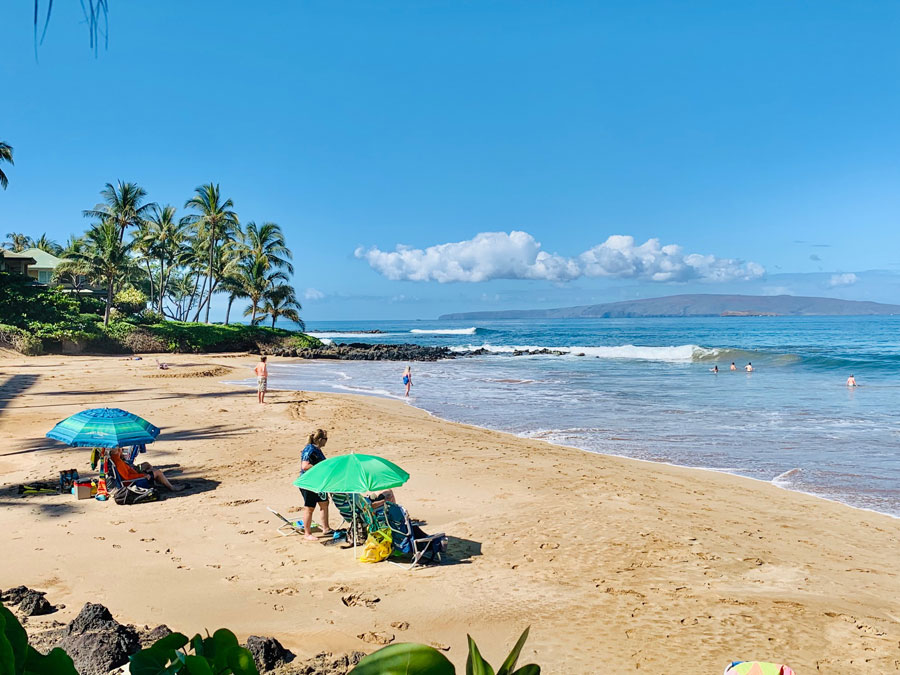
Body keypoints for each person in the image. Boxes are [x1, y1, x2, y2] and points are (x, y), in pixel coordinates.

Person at [299, 429, 331, 541]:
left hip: (319, 483)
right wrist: (320, 469)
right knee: (309, 508)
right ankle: (307, 533)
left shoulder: (317, 449)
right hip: (309, 483)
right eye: (326, 439)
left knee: (324, 503)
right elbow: (305, 466)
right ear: (321, 439)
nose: (327, 441)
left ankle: (326, 528)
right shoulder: (310, 449)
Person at [109, 447, 183, 492]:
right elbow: (127, 477)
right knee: (158, 472)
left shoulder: (116, 459)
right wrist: (143, 475)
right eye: (120, 449)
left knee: (152, 470)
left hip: (134, 477)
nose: (121, 450)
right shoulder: (118, 462)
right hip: (133, 482)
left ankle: (159, 482)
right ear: (118, 451)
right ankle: (172, 488)